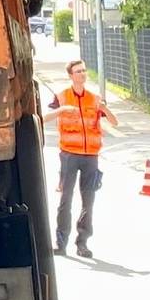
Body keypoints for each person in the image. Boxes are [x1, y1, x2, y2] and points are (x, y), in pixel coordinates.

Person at [46, 59, 118, 257]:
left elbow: (115, 122)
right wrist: (61, 110)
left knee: (88, 201)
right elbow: (43, 118)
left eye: (84, 71)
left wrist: (105, 108)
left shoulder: (95, 99)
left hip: (90, 157)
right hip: (69, 155)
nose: (82, 74)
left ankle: (82, 242)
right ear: (70, 75)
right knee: (65, 199)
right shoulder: (61, 96)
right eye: (78, 71)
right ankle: (61, 243)